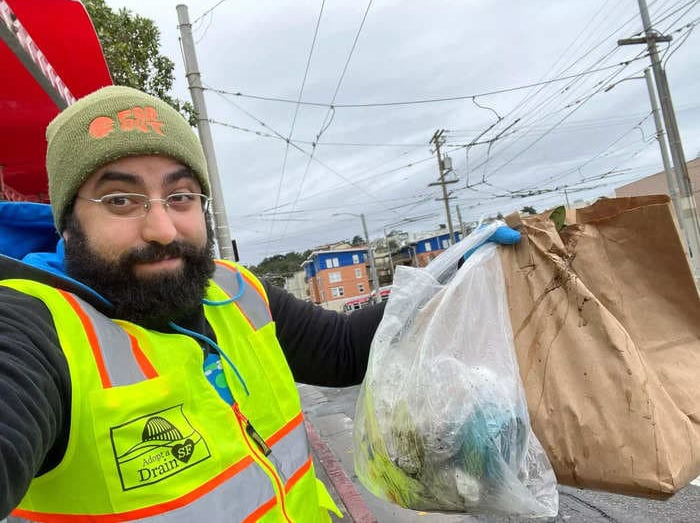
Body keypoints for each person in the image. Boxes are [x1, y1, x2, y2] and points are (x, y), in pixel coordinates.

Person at [0, 86, 518, 522]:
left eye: (180, 196)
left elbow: (344, 349)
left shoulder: (234, 289)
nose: (162, 229)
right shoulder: (33, 328)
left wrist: (454, 270)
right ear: (67, 220)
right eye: (120, 200)